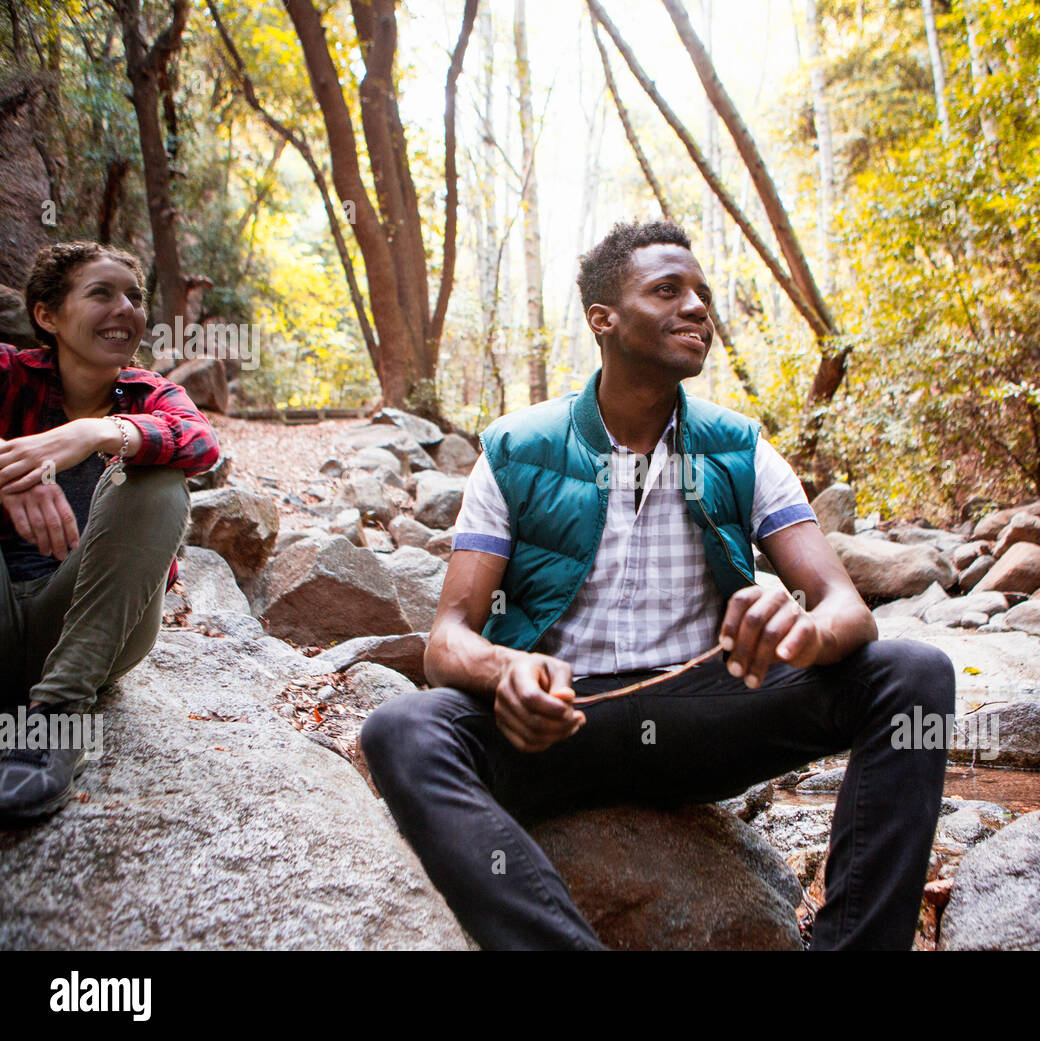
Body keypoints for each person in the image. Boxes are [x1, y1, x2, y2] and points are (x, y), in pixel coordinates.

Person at [361, 220, 955, 950]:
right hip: (560, 723)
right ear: (603, 319)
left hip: (702, 713)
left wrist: (803, 631)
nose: (699, 307)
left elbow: (847, 609)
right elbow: (447, 639)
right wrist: (506, 668)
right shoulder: (516, 450)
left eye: (702, 293)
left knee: (914, 672)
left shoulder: (742, 448)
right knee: (401, 728)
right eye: (668, 290)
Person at [0, 241, 220, 821]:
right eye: (101, 293)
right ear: (48, 316)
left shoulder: (151, 393)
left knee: (156, 481)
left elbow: (201, 445)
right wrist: (6, 470)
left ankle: (56, 716)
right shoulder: (8, 375)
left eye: (134, 297)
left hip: (92, 633)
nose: (125, 308)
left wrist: (98, 434)